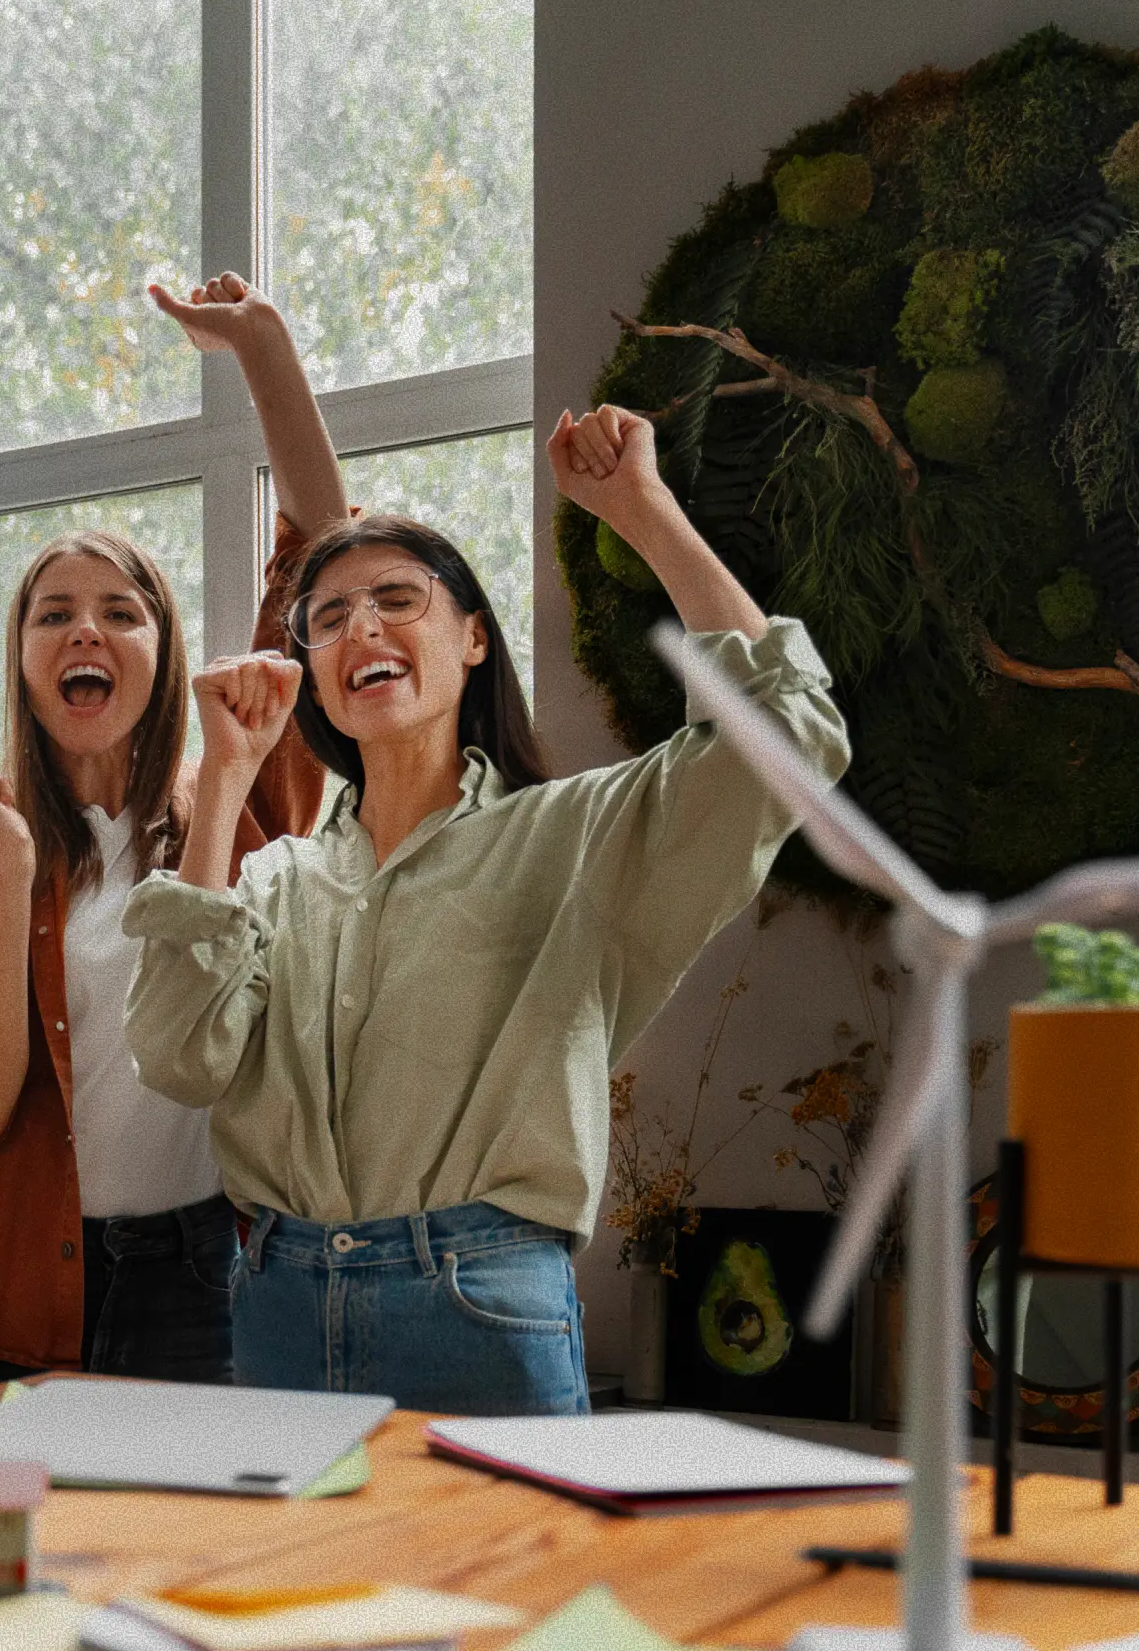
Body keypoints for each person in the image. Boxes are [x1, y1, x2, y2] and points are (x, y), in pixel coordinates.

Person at [124, 273, 851, 1416]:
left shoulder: (576, 838)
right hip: (273, 1302)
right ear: (312, 672)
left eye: (397, 598)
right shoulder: (276, 877)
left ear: (472, 639)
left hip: (477, 1302)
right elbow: (180, 1056)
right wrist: (225, 777)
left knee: (512, 1604)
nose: (358, 625)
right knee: (291, 1603)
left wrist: (645, 516)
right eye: (327, 617)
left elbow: (790, 737)